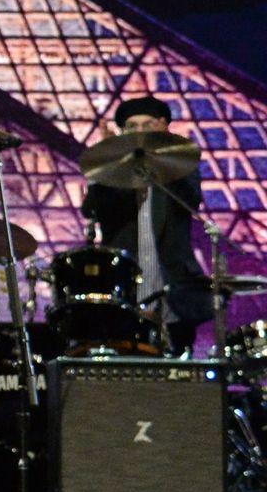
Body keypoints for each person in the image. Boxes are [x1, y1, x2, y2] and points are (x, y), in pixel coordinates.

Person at [81, 95, 209, 354]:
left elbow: (192, 201)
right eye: (131, 127)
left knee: (179, 368)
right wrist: (109, 162)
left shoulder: (181, 166)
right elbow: (91, 209)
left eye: (147, 125)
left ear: (162, 126)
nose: (139, 133)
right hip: (124, 287)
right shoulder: (112, 172)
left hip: (172, 285)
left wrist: (162, 161)